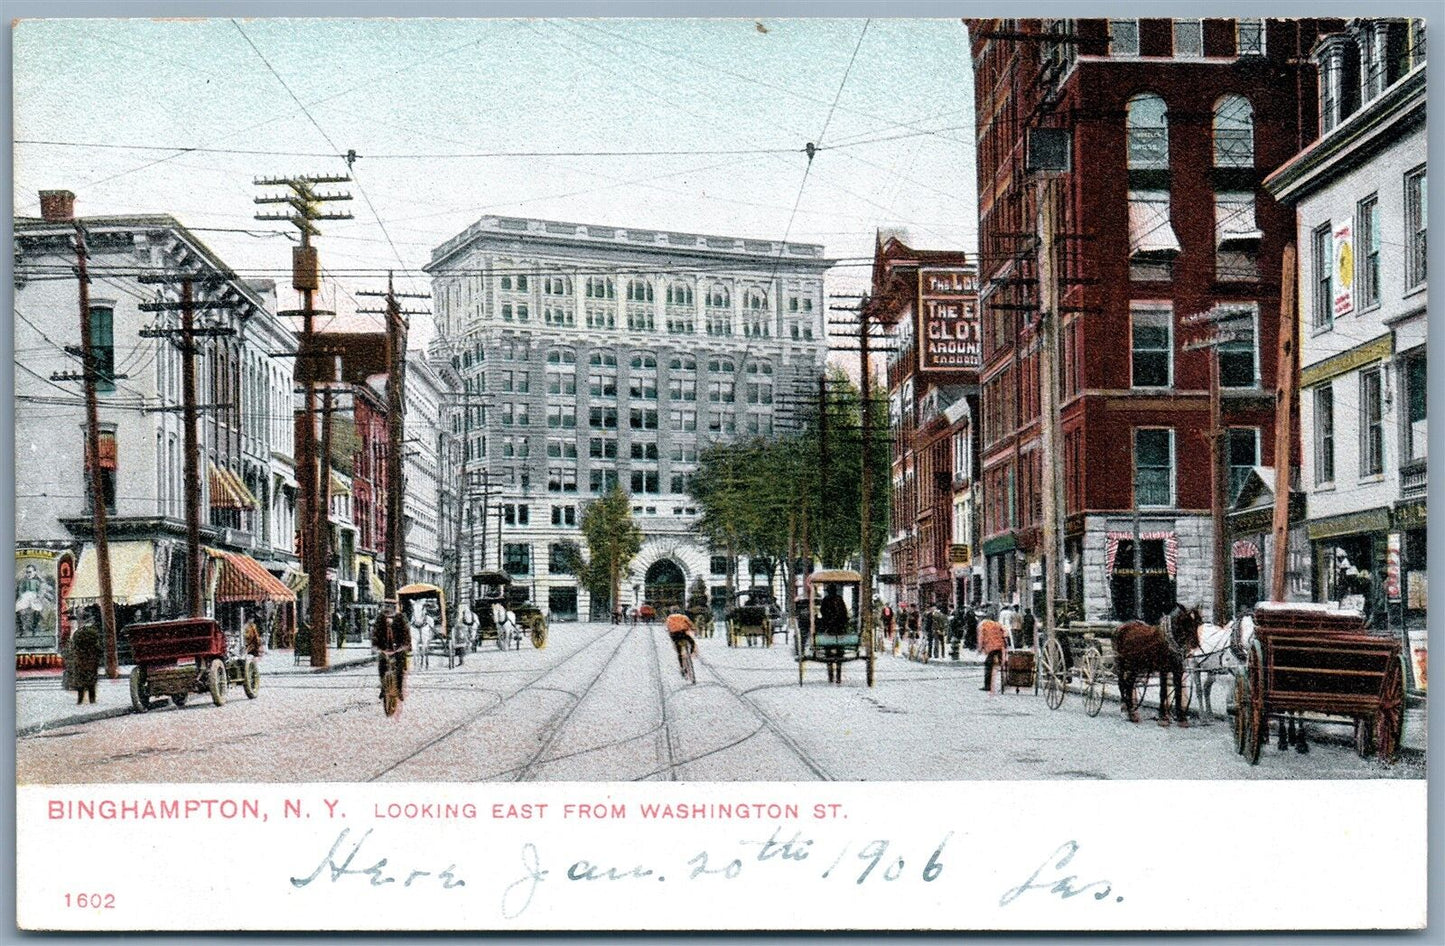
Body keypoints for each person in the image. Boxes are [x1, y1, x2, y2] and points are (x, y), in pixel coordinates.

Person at [371, 600, 411, 701]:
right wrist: (375, 646)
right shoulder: (380, 618)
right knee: (382, 667)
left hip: (398, 648)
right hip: (384, 647)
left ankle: (399, 689)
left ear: (394, 607)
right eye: (386, 606)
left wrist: (405, 645)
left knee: (400, 668)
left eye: (390, 606)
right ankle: (383, 688)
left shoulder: (401, 617)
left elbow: (406, 633)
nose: (388, 608)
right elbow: (375, 632)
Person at [67, 619, 102, 705]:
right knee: (91, 682)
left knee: (80, 682)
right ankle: (92, 699)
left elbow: (73, 647)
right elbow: (99, 648)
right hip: (91, 660)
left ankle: (80, 700)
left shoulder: (78, 634)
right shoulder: (94, 634)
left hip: (80, 660)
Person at [978, 614, 1008, 694]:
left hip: (992, 647)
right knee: (1003, 665)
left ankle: (987, 685)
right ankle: (1007, 681)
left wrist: (980, 649)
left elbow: (981, 638)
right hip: (1000, 646)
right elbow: (1005, 633)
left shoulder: (983, 625)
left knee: (988, 665)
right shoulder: (997, 624)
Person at [664, 611, 697, 676]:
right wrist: (693, 629)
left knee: (679, 652)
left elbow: (667, 627)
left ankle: (682, 667)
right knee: (692, 642)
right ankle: (690, 653)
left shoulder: (669, 618)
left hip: (674, 635)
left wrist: (670, 632)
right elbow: (690, 624)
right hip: (683, 633)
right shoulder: (683, 617)